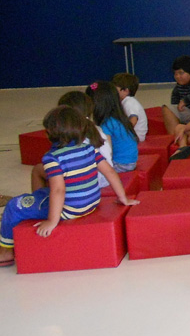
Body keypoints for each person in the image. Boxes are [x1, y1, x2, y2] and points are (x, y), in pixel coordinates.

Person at [0, 106, 138, 267]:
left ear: (49, 133)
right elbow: (110, 172)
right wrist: (123, 198)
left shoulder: (52, 158)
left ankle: (6, 251)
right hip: (92, 203)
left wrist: (52, 220)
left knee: (14, 206)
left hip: (70, 209)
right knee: (42, 193)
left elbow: (59, 190)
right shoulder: (89, 148)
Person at [86, 80, 139, 172]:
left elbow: (107, 150)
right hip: (129, 162)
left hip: (121, 164)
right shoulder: (117, 118)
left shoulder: (107, 123)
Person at [161, 55, 190, 135]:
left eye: (181, 73)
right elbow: (174, 103)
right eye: (175, 74)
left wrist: (185, 101)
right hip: (187, 113)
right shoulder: (178, 87)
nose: (178, 76)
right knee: (166, 108)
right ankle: (176, 135)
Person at [112, 73, 148, 141]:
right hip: (132, 135)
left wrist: (122, 133)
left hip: (135, 137)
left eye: (115, 89)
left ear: (126, 91)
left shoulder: (129, 102)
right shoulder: (126, 101)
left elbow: (133, 119)